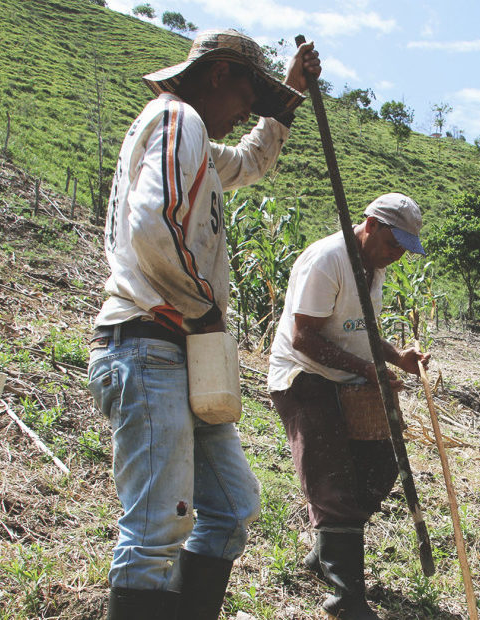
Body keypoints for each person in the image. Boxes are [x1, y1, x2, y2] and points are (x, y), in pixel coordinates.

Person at [86, 29, 320, 620]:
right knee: (154, 531)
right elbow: (154, 226)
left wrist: (288, 94)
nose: (247, 113)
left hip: (178, 348)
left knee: (231, 508)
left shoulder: (194, 137)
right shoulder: (177, 119)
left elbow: (252, 162)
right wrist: (204, 309)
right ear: (219, 75)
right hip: (149, 341)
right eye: (248, 95)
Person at [268, 193, 429, 620]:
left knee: (380, 465)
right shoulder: (328, 259)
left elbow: (362, 330)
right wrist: (368, 369)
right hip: (301, 377)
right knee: (333, 479)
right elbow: (304, 337)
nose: (396, 256)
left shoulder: (372, 268)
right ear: (371, 224)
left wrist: (397, 359)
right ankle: (346, 600)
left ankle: (326, 550)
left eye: (403, 249)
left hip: (345, 379)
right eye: (393, 243)